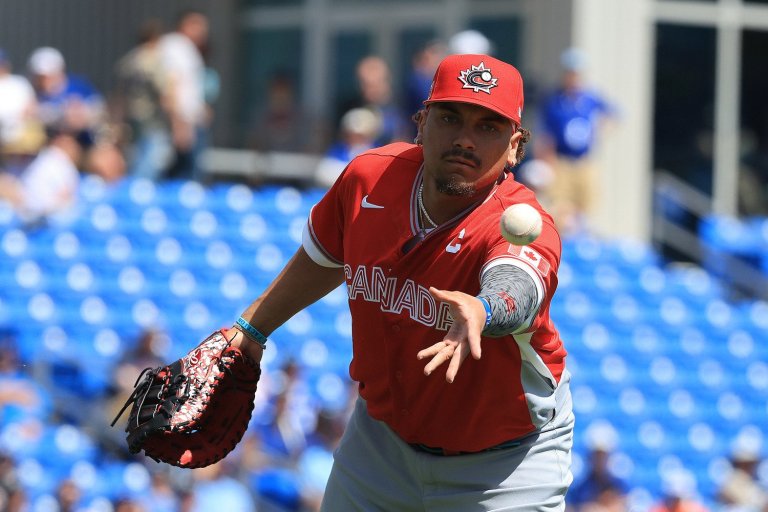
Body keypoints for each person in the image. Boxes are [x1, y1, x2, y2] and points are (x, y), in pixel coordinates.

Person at [223, 53, 573, 510]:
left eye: (488, 127)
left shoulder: (520, 221)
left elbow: (518, 283)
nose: (465, 139)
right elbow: (324, 256)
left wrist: (484, 309)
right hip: (381, 448)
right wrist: (251, 328)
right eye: (450, 118)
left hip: (505, 466)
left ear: (515, 147)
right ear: (421, 122)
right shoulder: (370, 179)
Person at [537, 47, 616, 236]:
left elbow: (612, 115)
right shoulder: (554, 100)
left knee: (585, 203)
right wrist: (548, 159)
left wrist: (596, 132)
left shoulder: (590, 98)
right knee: (561, 203)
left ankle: (580, 239)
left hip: (584, 160)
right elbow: (546, 133)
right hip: (562, 160)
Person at [112, 19, 174, 180]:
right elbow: (163, 93)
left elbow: (119, 94)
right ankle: (140, 191)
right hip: (151, 118)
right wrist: (174, 119)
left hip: (131, 116)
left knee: (135, 155)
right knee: (153, 157)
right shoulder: (153, 61)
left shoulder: (129, 60)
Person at [158, 10, 209, 180]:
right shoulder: (176, 46)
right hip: (180, 123)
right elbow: (171, 84)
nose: (203, 30)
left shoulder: (189, 49)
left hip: (190, 121)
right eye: (198, 25)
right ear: (185, 25)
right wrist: (178, 122)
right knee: (179, 177)